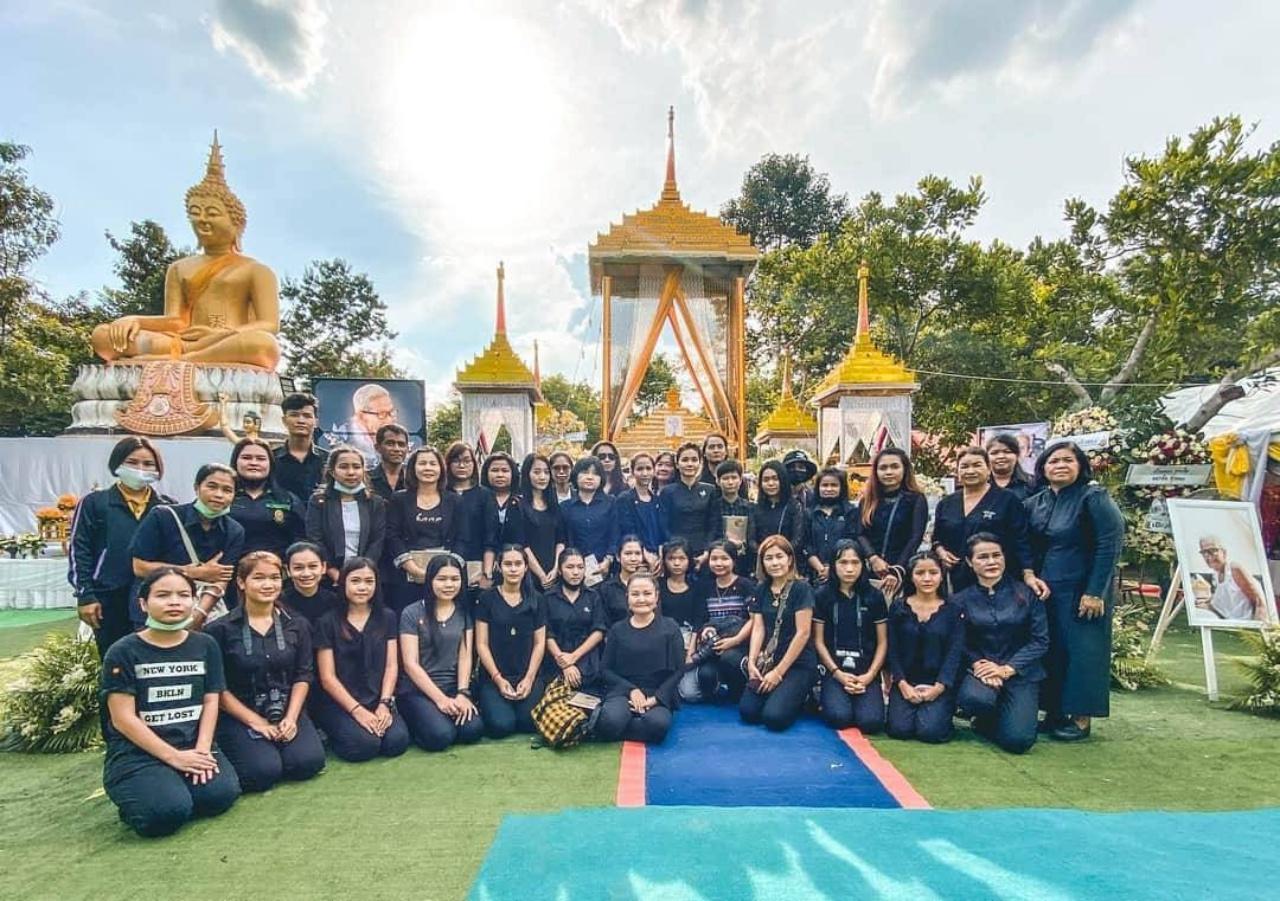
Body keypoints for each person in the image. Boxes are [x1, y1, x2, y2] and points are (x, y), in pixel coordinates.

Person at [99, 568, 240, 837]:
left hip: (191, 743)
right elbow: (122, 719)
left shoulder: (205, 645)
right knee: (166, 813)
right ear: (143, 604)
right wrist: (174, 758)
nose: (174, 602)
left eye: (183, 595)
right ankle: (145, 795)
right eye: (163, 595)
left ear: (194, 601)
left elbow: (211, 700)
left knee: (219, 796)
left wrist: (203, 750)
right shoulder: (123, 651)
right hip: (139, 753)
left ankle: (170, 787)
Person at [1024, 442, 1125, 742]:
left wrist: (1095, 591)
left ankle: (1081, 719)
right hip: (1045, 589)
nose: (1060, 466)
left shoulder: (1093, 498)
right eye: (1053, 461)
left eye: (1068, 460)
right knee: (1052, 650)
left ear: (1080, 466)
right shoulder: (1036, 502)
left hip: (1083, 589)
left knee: (1083, 651)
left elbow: (1109, 544)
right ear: (1043, 467)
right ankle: (1054, 713)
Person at [207, 552, 326, 791]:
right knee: (262, 773)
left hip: (286, 708)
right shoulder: (219, 630)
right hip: (241, 713)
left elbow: (303, 675)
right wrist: (257, 723)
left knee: (307, 763)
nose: (268, 584)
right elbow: (217, 688)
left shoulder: (297, 624)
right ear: (241, 582)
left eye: (274, 578)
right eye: (259, 578)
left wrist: (291, 718)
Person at [70, 437, 171, 657]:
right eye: (132, 462)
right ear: (117, 463)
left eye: (148, 464)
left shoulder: (166, 507)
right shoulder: (95, 503)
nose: (140, 469)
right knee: (114, 658)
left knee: (152, 657)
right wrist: (85, 596)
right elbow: (80, 550)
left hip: (152, 594)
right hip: (107, 594)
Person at [952, 534, 1049, 754]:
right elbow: (960, 641)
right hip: (982, 672)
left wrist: (1007, 669)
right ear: (969, 562)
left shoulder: (1027, 594)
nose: (991, 562)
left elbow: (1040, 641)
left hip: (1020, 672)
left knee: (1018, 741)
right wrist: (977, 663)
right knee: (974, 699)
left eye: (996, 555)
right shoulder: (960, 600)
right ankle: (984, 715)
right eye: (983, 557)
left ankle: (999, 719)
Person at [313, 558, 410, 761]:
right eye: (355, 581)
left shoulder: (387, 617)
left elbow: (391, 666)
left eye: (369, 581)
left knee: (396, 742)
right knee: (365, 746)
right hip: (340, 703)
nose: (362, 587)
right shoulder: (327, 622)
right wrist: (357, 711)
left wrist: (384, 703)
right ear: (343, 583)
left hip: (377, 698)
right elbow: (327, 678)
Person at [129, 463, 245, 629]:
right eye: (212, 487)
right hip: (154, 610)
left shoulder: (234, 530)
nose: (219, 495)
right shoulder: (163, 517)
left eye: (227, 490)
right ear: (196, 488)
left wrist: (198, 615)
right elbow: (139, 567)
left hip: (203, 615)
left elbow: (221, 579)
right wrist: (192, 572)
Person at [397, 555, 485, 751]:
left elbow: (465, 657)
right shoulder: (411, 613)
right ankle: (416, 723)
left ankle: (440, 717)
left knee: (472, 730)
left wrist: (462, 693)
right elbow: (410, 664)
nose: (449, 585)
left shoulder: (464, 613)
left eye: (455, 579)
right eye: (442, 579)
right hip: (418, 691)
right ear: (430, 580)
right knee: (441, 736)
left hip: (452, 688)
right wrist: (440, 700)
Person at [931, 447, 1042, 596]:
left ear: (989, 469)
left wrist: (1028, 573)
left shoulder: (1007, 499)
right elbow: (937, 538)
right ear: (957, 471)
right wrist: (941, 551)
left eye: (977, 465)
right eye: (964, 466)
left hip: (999, 578)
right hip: (958, 581)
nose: (970, 471)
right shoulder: (946, 503)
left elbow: (1021, 539)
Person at [595, 571, 685, 744]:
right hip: (623, 691)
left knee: (657, 725)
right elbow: (605, 670)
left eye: (647, 593)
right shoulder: (617, 630)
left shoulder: (670, 628)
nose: (641, 599)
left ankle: (623, 724)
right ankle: (617, 722)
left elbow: (679, 670)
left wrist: (656, 699)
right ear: (627, 598)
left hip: (657, 693)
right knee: (610, 722)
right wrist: (632, 690)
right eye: (635, 594)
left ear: (656, 596)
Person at [740, 536, 818, 732]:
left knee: (774, 718)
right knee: (748, 712)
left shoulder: (802, 589)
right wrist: (752, 662)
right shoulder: (761, 589)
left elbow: (803, 633)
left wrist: (778, 673)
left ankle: (803, 696)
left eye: (779, 556)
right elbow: (758, 628)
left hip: (797, 663)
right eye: (769, 558)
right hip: (770, 660)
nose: (774, 563)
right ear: (762, 562)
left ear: (789, 559)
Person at [886, 552, 964, 743]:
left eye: (933, 572)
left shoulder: (953, 610)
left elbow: (954, 653)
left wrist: (939, 687)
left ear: (941, 575)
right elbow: (892, 649)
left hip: (938, 683)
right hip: (906, 681)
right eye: (920, 573)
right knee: (899, 730)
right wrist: (902, 683)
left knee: (929, 732)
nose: (927, 578)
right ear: (911, 577)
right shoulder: (898, 607)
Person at [813, 540, 888, 733]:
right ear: (833, 564)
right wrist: (837, 673)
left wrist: (870, 675)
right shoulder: (822, 595)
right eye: (843, 562)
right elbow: (818, 641)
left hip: (866, 671)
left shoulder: (874, 596)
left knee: (871, 722)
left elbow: (883, 642)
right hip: (835, 669)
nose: (849, 569)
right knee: (839, 717)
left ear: (863, 565)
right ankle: (820, 694)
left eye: (855, 562)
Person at [474, 545, 547, 737]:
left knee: (527, 722)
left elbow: (540, 643)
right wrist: (498, 678)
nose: (513, 569)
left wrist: (529, 678)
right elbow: (481, 643)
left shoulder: (537, 599)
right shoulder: (486, 599)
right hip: (494, 676)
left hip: (528, 674)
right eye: (508, 564)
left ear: (526, 567)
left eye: (518, 564)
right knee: (501, 726)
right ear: (499, 567)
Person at [386, 446, 459, 613]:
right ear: (413, 468)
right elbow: (392, 535)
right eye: (422, 463)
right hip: (407, 576)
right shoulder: (399, 499)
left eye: (433, 463)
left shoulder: (454, 501)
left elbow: (462, 537)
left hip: (445, 577)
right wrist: (412, 568)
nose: (428, 468)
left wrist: (445, 571)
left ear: (441, 469)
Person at [305, 445, 387, 585]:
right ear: (332, 471)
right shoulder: (319, 501)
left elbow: (377, 541)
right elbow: (315, 539)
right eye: (343, 467)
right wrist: (333, 572)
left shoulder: (374, 502)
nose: (351, 472)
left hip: (365, 576)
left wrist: (362, 572)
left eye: (356, 467)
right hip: (327, 576)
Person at [852, 448, 928, 597]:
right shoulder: (867, 500)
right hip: (869, 568)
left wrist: (897, 570)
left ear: (905, 469)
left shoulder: (915, 499)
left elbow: (915, 537)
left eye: (894, 467)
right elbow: (860, 533)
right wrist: (873, 558)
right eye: (883, 468)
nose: (888, 472)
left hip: (901, 568)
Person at [687, 540, 755, 702]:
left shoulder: (746, 585)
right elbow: (700, 620)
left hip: (739, 643)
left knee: (729, 659)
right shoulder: (705, 587)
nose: (719, 563)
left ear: (734, 560)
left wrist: (735, 640)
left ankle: (741, 685)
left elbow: (754, 620)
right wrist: (692, 649)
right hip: (712, 644)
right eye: (714, 558)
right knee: (706, 676)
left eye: (724, 558)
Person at [542, 548, 609, 692]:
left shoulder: (593, 596)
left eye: (580, 567)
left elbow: (599, 631)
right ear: (560, 570)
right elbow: (546, 633)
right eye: (570, 567)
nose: (576, 572)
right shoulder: (548, 598)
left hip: (588, 661)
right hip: (556, 663)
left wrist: (573, 657)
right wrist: (565, 663)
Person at [228, 437, 304, 559]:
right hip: (229, 568)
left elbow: (301, 540)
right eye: (246, 458)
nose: (253, 463)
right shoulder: (222, 498)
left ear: (271, 464)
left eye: (261, 459)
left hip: (277, 568)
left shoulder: (287, 499)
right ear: (235, 462)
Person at [444, 441, 498, 591]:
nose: (462, 465)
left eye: (467, 461)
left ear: (474, 464)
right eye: (456, 461)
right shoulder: (441, 493)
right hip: (444, 564)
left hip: (476, 564)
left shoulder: (485, 495)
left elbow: (490, 536)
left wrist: (487, 574)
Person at [560, 456, 618, 583]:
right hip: (574, 569)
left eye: (595, 474)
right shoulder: (565, 507)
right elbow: (563, 539)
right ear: (576, 476)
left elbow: (615, 534)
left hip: (604, 567)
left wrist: (608, 560)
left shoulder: (611, 503)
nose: (590, 477)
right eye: (585, 472)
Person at [658, 442, 716, 567]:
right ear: (677, 464)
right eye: (685, 460)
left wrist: (707, 551)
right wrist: (675, 549)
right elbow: (663, 525)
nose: (690, 464)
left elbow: (714, 524)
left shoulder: (710, 490)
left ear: (700, 463)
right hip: (675, 554)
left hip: (704, 553)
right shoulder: (668, 492)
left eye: (694, 460)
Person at [518, 454, 566, 590]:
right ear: (527, 474)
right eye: (537, 472)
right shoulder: (518, 504)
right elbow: (522, 544)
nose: (542, 477)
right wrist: (541, 575)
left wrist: (556, 568)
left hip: (554, 571)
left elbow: (561, 540)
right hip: (529, 573)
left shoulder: (554, 505)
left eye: (546, 472)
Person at [1194, 535, 1269, 621]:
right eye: (1204, 552)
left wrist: (1260, 626)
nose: (1209, 556)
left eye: (1213, 550)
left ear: (1224, 552)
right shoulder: (1216, 575)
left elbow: (1259, 603)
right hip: (1233, 623)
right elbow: (1228, 602)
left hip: (1247, 624)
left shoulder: (1234, 569)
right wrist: (1208, 604)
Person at [273, 392, 326, 506]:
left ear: (316, 422)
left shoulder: (329, 460)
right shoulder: (270, 459)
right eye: (294, 415)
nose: (301, 421)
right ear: (284, 420)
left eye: (307, 416)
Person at [708, 460, 757, 577]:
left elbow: (753, 534)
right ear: (717, 481)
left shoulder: (750, 507)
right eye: (725, 478)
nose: (730, 482)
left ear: (740, 480)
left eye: (734, 478)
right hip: (720, 560)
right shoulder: (712, 507)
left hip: (746, 560)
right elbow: (710, 532)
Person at [804, 468, 853, 584]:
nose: (829, 489)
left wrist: (833, 568)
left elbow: (853, 542)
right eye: (825, 485)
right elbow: (806, 544)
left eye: (834, 485)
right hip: (815, 574)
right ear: (818, 488)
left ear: (842, 488)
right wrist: (820, 568)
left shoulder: (850, 512)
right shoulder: (809, 513)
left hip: (844, 572)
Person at [616, 452, 663, 570]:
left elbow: (662, 531)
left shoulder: (657, 500)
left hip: (657, 559)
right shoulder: (625, 499)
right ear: (632, 472)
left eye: (648, 468)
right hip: (636, 558)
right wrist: (644, 553)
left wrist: (661, 554)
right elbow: (627, 530)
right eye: (640, 469)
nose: (645, 473)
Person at [753, 460, 806, 560]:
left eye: (775, 479)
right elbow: (751, 540)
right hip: (761, 560)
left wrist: (779, 555)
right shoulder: (755, 508)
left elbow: (798, 540)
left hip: (788, 560)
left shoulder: (795, 507)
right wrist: (766, 554)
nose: (770, 483)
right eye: (766, 480)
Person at [331, 383, 397, 463]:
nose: (390, 419)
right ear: (361, 417)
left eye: (391, 412)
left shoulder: (396, 437)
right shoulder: (342, 439)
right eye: (382, 414)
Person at [281, 541, 338, 626]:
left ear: (323, 567)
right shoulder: (280, 602)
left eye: (313, 566)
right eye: (298, 568)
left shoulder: (335, 602)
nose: (306, 574)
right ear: (288, 570)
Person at [597, 535, 648, 626]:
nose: (633, 559)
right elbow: (603, 623)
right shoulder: (606, 589)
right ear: (618, 557)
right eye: (628, 553)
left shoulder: (650, 585)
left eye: (637, 553)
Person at [481, 452, 524, 548]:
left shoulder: (522, 501)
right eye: (495, 470)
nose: (500, 475)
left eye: (505, 471)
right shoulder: (478, 499)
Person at [986, 433, 1037, 502]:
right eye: (994, 453)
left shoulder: (1033, 484)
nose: (1001, 456)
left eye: (1007, 452)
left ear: (1017, 455)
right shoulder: (978, 483)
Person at [368, 424, 410, 501]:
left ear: (407, 449)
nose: (397, 449)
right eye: (390, 444)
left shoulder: (415, 479)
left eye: (401, 445)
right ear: (377, 447)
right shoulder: (366, 479)